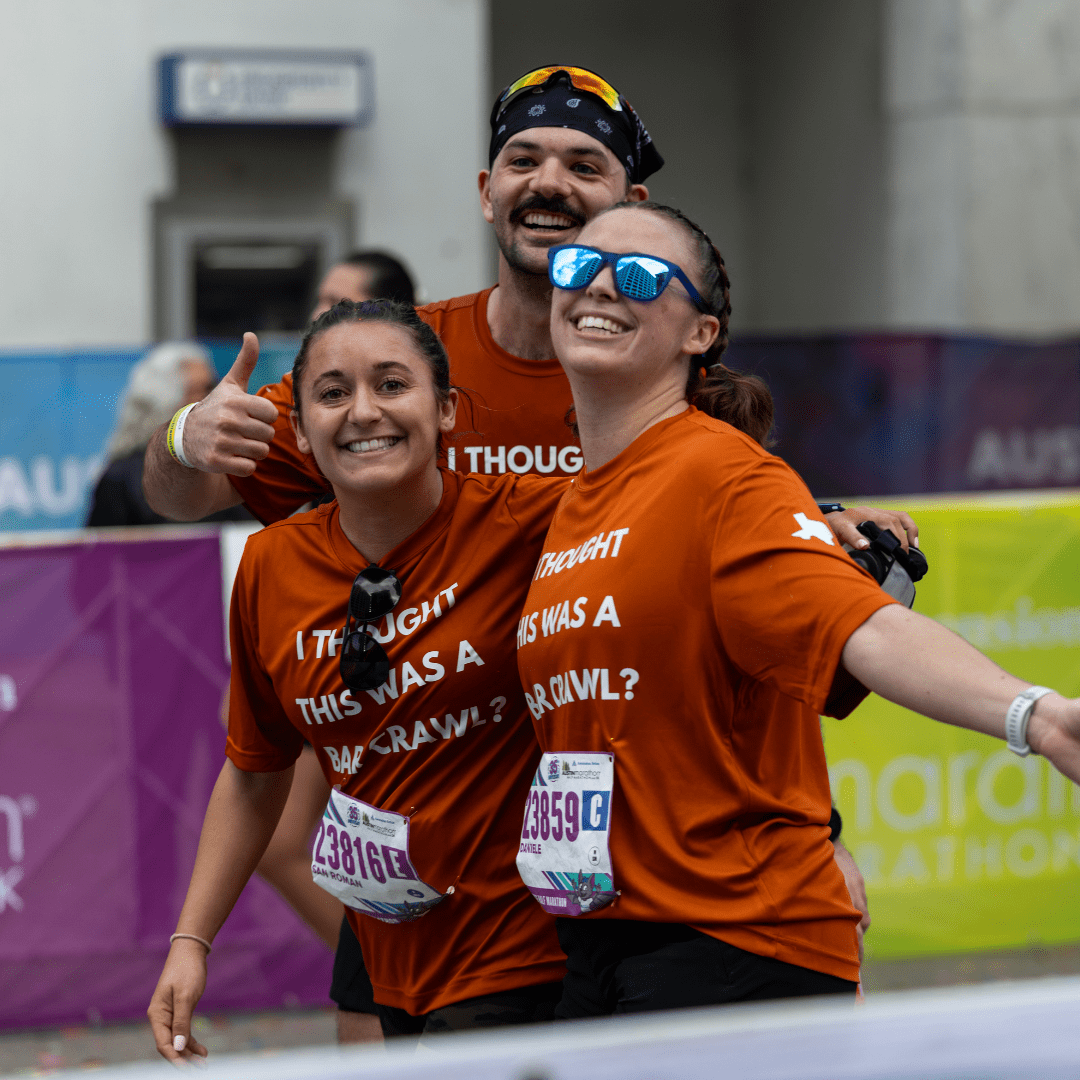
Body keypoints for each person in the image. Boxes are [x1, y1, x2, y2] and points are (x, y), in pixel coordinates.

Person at [142, 66, 892, 963]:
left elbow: (745, 632)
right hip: (434, 833)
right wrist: (189, 435)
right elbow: (182, 495)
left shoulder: (676, 388)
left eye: (585, 166)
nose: (549, 183)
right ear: (487, 191)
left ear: (629, 201)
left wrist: (826, 830)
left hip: (618, 845)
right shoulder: (399, 371)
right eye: (524, 158)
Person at [513, 199, 1080, 1017]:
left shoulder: (725, 476)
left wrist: (1039, 717)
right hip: (608, 943)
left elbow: (867, 626)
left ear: (698, 334)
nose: (598, 287)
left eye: (637, 275)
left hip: (736, 943)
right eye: (578, 267)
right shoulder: (569, 504)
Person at [147, 300, 573, 1062]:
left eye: (391, 384)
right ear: (301, 432)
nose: (364, 412)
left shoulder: (534, 524)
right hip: (384, 954)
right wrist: (191, 941)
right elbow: (255, 774)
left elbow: (678, 509)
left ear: (445, 412)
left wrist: (807, 515)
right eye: (334, 393)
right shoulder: (272, 565)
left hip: (526, 953)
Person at [251, 249, 418, 1046]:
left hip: (414, 691)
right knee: (285, 844)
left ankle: (388, 982)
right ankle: (378, 976)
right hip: (331, 662)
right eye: (320, 302)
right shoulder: (280, 550)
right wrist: (182, 432)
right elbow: (172, 486)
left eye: (386, 385)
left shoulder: (486, 510)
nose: (362, 411)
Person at [85, 342, 249, 526]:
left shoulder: (233, 467)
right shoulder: (122, 479)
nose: (215, 399)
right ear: (167, 403)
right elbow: (99, 552)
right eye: (204, 389)